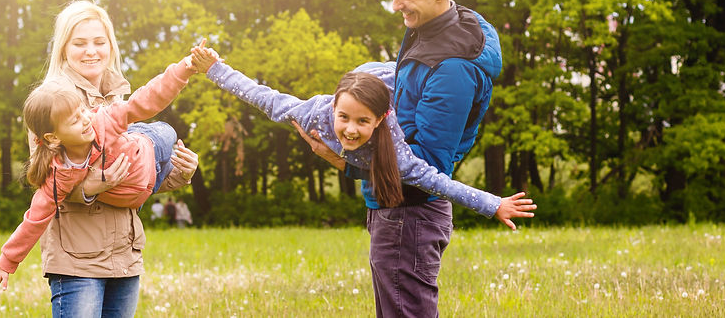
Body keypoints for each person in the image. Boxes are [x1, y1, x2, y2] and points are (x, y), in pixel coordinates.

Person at [300, 0, 503, 316]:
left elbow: (426, 164)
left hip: (409, 212)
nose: (396, 5)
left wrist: (343, 161)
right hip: (395, 206)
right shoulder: (433, 28)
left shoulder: (452, 69)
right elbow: (406, 94)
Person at [0, 0, 199, 318]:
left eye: (100, 42)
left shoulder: (116, 103)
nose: (91, 50)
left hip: (124, 257)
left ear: (111, 45)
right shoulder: (49, 107)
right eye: (80, 43)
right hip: (77, 261)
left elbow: (136, 177)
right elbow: (47, 190)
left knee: (157, 132)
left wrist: (181, 173)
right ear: (63, 49)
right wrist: (91, 186)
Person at [191, 45, 534, 228]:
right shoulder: (313, 114)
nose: (350, 130)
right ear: (334, 107)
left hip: (392, 80)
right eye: (344, 118)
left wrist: (494, 204)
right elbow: (262, 96)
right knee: (364, 78)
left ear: (380, 121)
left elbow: (439, 182)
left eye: (362, 122)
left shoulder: (396, 149)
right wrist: (214, 68)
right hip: (364, 76)